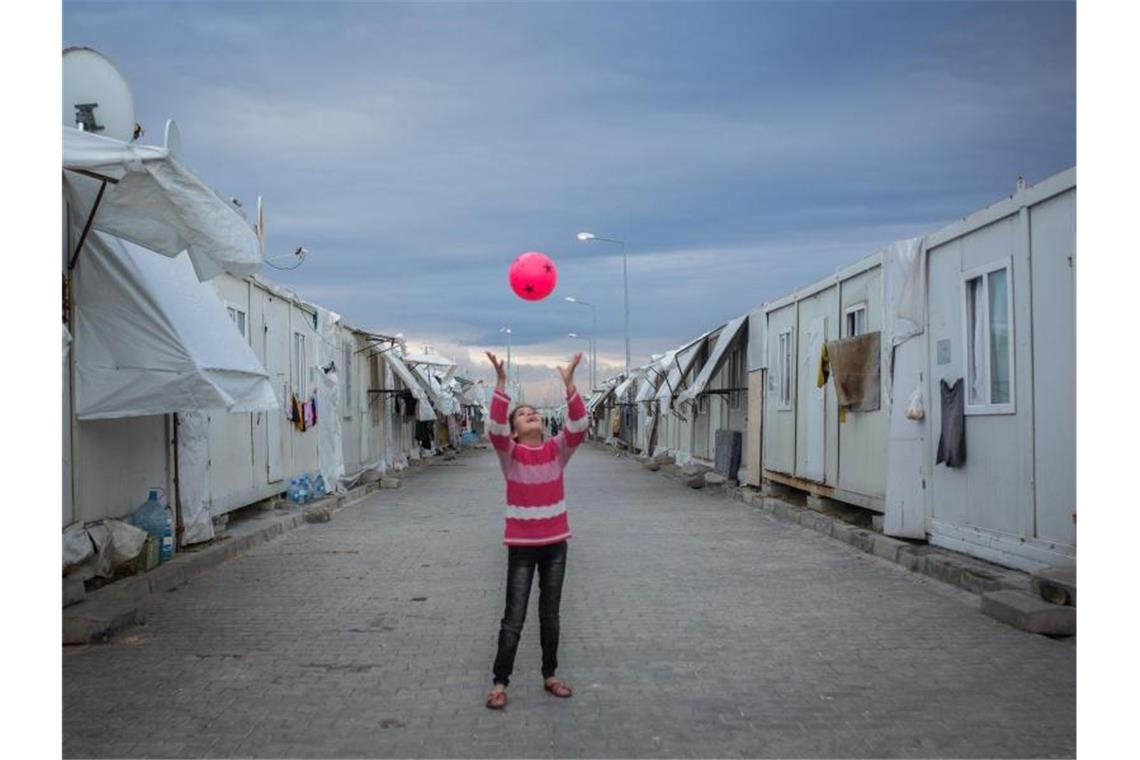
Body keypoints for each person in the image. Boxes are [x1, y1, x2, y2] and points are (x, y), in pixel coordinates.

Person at [483, 350, 588, 710]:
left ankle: (550, 675)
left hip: (556, 545)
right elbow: (494, 430)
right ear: (515, 430)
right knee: (514, 617)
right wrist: (499, 385)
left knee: (550, 615)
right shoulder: (510, 456)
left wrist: (569, 385)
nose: (531, 416)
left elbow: (579, 426)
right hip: (522, 548)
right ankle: (500, 682)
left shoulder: (557, 451)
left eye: (534, 413)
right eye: (523, 415)